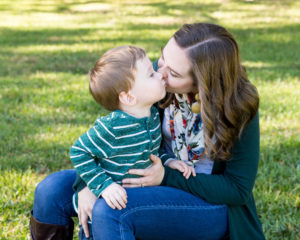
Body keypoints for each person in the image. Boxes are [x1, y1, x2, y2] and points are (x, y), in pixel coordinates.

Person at [30, 23, 265, 240]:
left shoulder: (239, 106)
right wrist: (88, 184)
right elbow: (110, 134)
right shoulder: (158, 79)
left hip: (209, 204)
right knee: (51, 190)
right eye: (162, 58)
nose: (160, 72)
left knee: (111, 210)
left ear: (202, 83)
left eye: (173, 73)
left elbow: (237, 190)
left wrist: (165, 176)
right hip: (147, 176)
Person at [69, 45, 196, 238]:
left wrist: (167, 161)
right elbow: (79, 151)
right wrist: (103, 186)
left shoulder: (152, 114)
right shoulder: (112, 127)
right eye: (151, 74)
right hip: (105, 205)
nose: (160, 75)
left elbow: (149, 150)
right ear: (129, 97)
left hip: (133, 201)